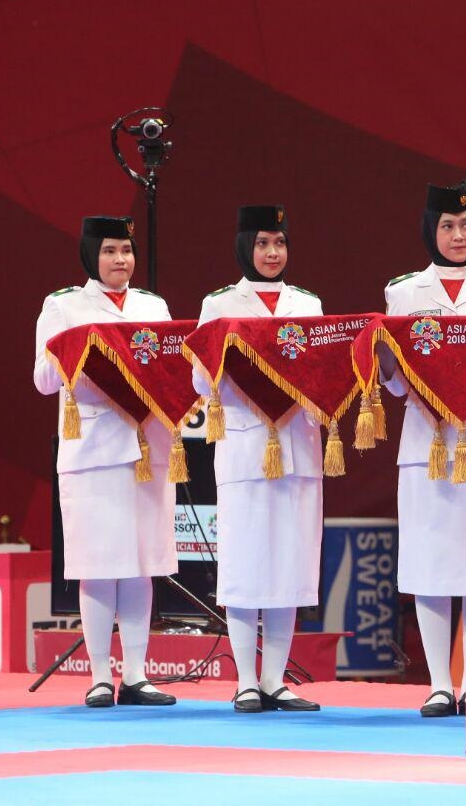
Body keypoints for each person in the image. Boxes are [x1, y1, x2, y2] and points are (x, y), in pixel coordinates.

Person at [381, 180, 466, 718]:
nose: (458, 235)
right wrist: (386, 365)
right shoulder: (404, 293)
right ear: (430, 231)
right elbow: (395, 385)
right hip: (429, 445)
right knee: (431, 565)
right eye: (447, 226)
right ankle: (440, 684)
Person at [33, 216, 178, 708]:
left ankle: (136, 675)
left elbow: (170, 369)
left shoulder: (153, 307)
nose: (121, 260)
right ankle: (99, 675)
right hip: (92, 450)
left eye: (127, 250)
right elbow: (43, 381)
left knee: (141, 563)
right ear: (91, 255)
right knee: (96, 565)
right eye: (110, 250)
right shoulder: (63, 305)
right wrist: (78, 351)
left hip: (146, 448)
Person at [192, 205, 322, 714]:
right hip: (245, 444)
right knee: (246, 565)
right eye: (263, 243)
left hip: (298, 447)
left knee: (289, 564)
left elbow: (321, 373)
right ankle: (245, 679)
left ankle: (275, 681)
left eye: (280, 243)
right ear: (246, 246)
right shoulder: (219, 303)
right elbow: (199, 380)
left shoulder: (308, 304)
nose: (272, 253)